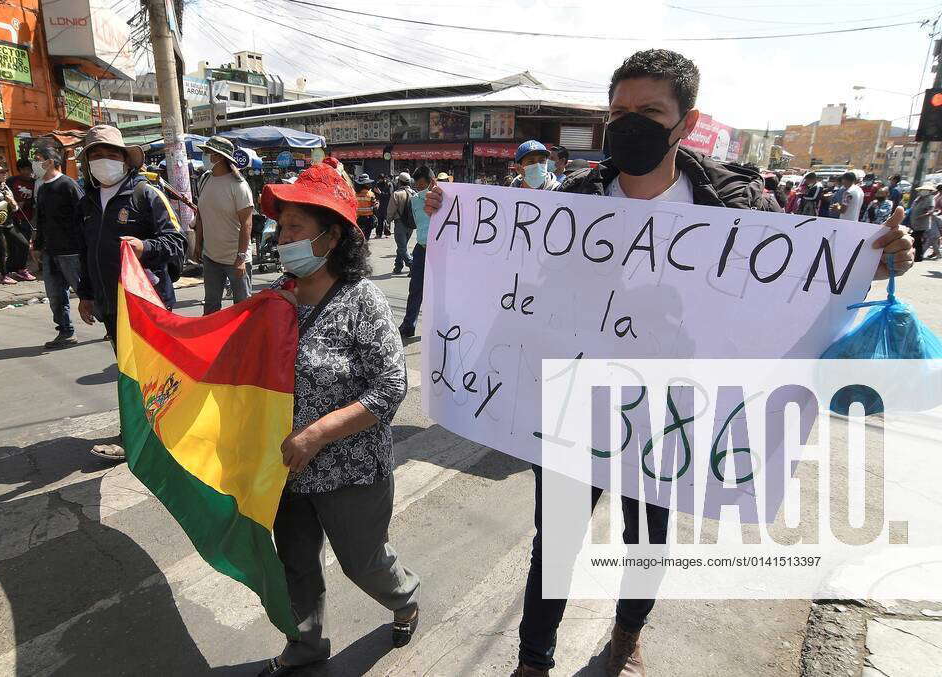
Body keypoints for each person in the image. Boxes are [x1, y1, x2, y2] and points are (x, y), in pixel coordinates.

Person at [426, 47, 913, 677]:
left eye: (649, 111)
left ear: (686, 121)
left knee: (648, 538)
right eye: (619, 110)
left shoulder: (736, 206)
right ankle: (533, 660)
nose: (629, 122)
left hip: (672, 403)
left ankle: (627, 637)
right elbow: (519, 274)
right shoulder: (574, 200)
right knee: (557, 539)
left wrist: (875, 262)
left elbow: (802, 285)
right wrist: (449, 221)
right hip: (578, 393)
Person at [256, 158, 420, 676]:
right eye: (281, 227)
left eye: (295, 228)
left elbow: (391, 386)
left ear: (330, 238)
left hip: (350, 469)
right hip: (285, 468)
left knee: (363, 563)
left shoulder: (362, 301)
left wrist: (318, 434)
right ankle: (305, 645)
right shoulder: (274, 300)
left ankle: (405, 599)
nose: (282, 237)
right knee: (296, 566)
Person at [75, 124, 186, 460]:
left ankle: (147, 434)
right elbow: (85, 251)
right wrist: (85, 294)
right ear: (88, 162)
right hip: (111, 304)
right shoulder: (88, 203)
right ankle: (144, 432)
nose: (103, 160)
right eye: (96, 154)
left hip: (146, 304)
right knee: (131, 373)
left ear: (125, 159)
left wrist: (145, 247)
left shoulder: (146, 195)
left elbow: (178, 242)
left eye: (111, 153)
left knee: (153, 371)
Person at [192, 136, 254, 315]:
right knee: (211, 307)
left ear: (218, 157)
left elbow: (247, 224)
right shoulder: (205, 180)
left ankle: (243, 343)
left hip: (236, 260)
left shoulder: (239, 185)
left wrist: (241, 258)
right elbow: (201, 215)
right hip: (211, 257)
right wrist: (198, 244)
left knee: (242, 309)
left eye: (207, 152)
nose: (204, 156)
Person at [32, 144, 85, 349]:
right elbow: (42, 220)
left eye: (39, 159)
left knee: (85, 291)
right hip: (50, 251)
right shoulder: (43, 188)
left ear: (51, 161)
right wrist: (37, 245)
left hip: (71, 250)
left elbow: (83, 214)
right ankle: (65, 331)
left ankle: (110, 324)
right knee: (55, 295)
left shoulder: (68, 185)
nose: (36, 164)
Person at [397, 165, 435, 339]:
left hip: (440, 251)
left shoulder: (445, 197)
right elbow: (417, 222)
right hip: (421, 248)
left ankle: (438, 328)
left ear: (431, 181)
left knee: (438, 291)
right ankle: (408, 325)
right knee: (415, 288)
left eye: (422, 186)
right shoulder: (414, 200)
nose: (419, 190)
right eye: (417, 187)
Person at [5, 158, 38, 280]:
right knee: (13, 244)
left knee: (24, 243)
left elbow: (37, 199)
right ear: (19, 170)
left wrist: (26, 203)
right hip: (12, 218)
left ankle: (21, 268)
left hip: (28, 218)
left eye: (29, 169)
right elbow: (5, 195)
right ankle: (10, 269)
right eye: (23, 169)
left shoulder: (35, 183)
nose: (27, 172)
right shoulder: (12, 181)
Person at [386, 172, 416, 274]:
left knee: (402, 247)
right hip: (411, 225)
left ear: (399, 182)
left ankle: (412, 264)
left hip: (400, 224)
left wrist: (388, 221)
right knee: (402, 246)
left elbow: (391, 211)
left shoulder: (396, 194)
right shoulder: (414, 193)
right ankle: (398, 266)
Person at [910, 184, 936, 261]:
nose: (923, 191)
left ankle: (918, 257)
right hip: (915, 222)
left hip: (922, 224)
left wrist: (922, 215)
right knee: (917, 240)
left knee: (916, 239)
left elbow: (931, 210)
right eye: (922, 190)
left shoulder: (930, 199)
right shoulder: (919, 198)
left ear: (929, 191)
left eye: (925, 190)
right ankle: (916, 256)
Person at [354, 173, 379, 240]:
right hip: (368, 219)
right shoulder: (371, 194)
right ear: (366, 184)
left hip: (358, 219)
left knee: (359, 238)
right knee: (366, 238)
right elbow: (375, 206)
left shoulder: (354, 194)